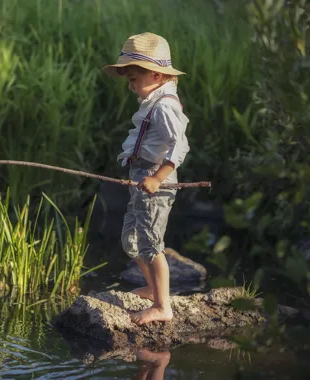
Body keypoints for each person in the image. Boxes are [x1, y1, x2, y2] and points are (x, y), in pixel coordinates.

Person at [103, 32, 190, 325]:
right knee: (132, 239)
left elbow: (180, 146)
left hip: (156, 180)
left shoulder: (165, 106)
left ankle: (163, 307)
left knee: (151, 243)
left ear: (155, 74)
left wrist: (157, 178)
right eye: (128, 79)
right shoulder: (153, 101)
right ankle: (154, 289)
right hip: (142, 176)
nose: (130, 86)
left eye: (133, 79)